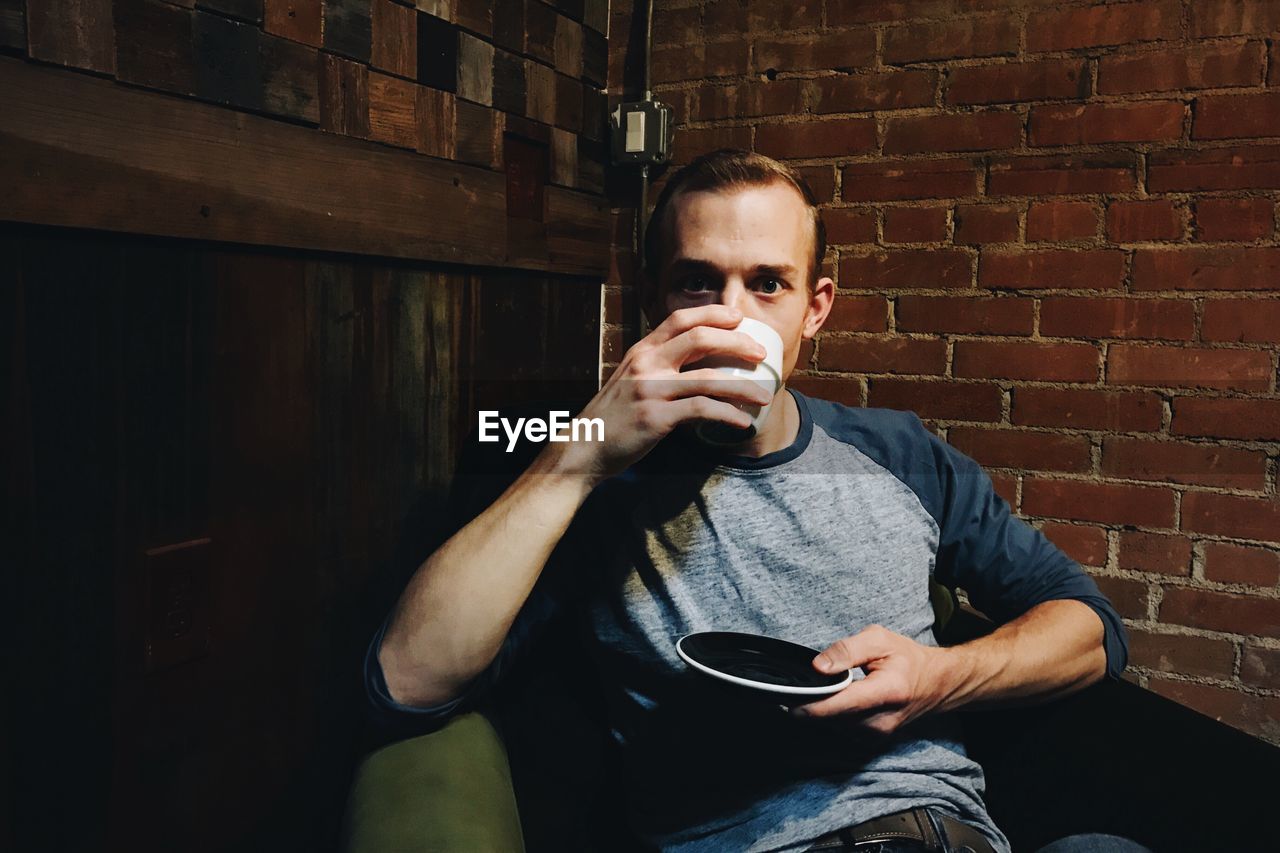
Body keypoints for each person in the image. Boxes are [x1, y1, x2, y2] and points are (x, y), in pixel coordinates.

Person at [365, 149, 1140, 853]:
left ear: (815, 308)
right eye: (697, 281)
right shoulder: (600, 483)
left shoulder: (899, 452)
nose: (731, 317)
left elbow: (1091, 629)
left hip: (949, 835)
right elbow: (405, 685)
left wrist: (939, 674)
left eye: (768, 283)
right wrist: (575, 460)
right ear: (652, 301)